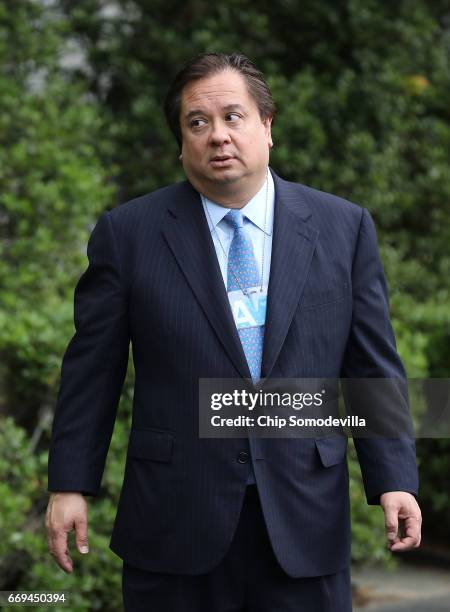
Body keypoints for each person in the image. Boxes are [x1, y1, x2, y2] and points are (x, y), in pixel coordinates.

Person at [46, 53, 422, 611]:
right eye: (197, 123)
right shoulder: (129, 235)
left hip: (304, 521)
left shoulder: (343, 228)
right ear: (180, 141)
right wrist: (70, 484)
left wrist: (394, 476)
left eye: (233, 117)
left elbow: (371, 364)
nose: (217, 135)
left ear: (267, 126)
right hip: (175, 521)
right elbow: (91, 372)